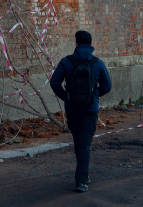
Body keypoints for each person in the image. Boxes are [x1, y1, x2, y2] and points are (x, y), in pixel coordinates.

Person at [49, 30, 112, 193]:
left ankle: (82, 175)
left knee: (78, 141)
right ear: (91, 44)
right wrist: (94, 96)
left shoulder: (66, 62)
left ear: (76, 43)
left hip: (72, 109)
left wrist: (66, 97)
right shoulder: (98, 63)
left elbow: (54, 82)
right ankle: (82, 180)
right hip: (90, 110)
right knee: (84, 143)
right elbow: (107, 86)